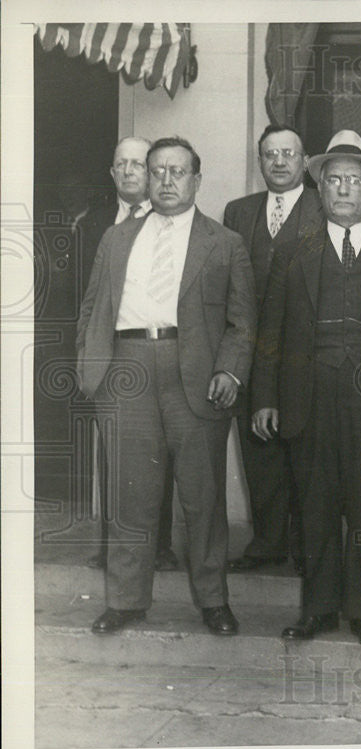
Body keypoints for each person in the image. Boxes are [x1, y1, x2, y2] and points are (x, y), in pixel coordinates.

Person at [77, 136, 256, 636]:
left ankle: (213, 600)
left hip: (194, 373)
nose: (167, 181)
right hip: (126, 369)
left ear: (197, 179)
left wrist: (229, 370)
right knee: (130, 494)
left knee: (201, 496)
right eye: (158, 171)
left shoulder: (224, 243)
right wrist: (92, 367)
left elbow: (243, 322)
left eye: (178, 172)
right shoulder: (117, 239)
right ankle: (126, 600)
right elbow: (93, 306)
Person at [251, 129, 361, 646]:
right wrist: (265, 397)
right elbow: (271, 333)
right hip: (309, 396)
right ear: (319, 190)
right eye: (334, 181)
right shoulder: (293, 254)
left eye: (355, 181)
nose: (344, 190)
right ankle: (318, 610)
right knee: (316, 507)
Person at [223, 124, 324, 576]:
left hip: (305, 351)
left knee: (304, 450)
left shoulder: (326, 207)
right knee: (258, 447)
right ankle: (267, 542)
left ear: (305, 162)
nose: (279, 162)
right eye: (269, 154)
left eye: (288, 153)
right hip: (251, 346)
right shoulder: (238, 212)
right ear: (260, 161)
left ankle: (308, 546)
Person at [79, 136, 178, 574]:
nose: (130, 172)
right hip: (113, 357)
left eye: (139, 164)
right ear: (112, 173)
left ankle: (159, 546)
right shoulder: (94, 224)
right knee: (115, 459)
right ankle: (111, 546)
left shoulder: (170, 220)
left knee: (161, 456)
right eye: (122, 165)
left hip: (161, 353)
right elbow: (85, 299)